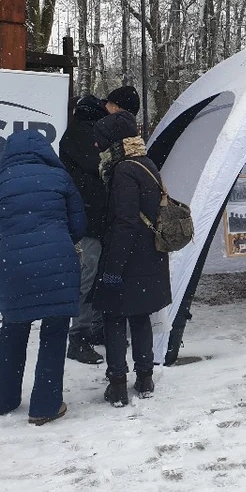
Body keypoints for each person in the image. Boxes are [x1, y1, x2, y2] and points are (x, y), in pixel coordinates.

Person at [0, 130, 86, 425]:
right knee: (54, 334)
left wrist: (15, 246)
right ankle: (45, 405)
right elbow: (79, 225)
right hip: (58, 263)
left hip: (13, 267)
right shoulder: (60, 180)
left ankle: (4, 400)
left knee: (12, 332)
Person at [92, 110, 172, 406]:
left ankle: (117, 384)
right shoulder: (146, 164)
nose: (96, 146)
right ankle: (145, 378)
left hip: (128, 257)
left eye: (100, 141)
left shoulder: (124, 170)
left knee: (114, 319)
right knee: (140, 316)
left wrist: (113, 268)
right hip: (149, 255)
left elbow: (125, 222)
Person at [59, 94, 109, 364]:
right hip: (91, 218)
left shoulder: (78, 134)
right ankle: (79, 334)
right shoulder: (80, 135)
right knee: (91, 274)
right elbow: (96, 164)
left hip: (93, 216)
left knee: (97, 273)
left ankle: (95, 326)